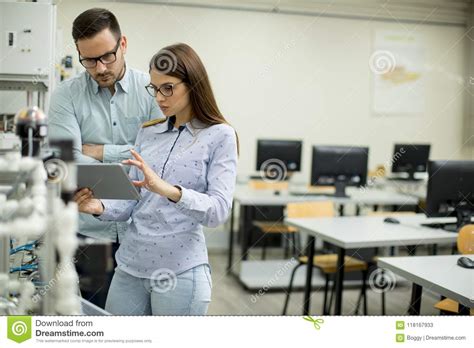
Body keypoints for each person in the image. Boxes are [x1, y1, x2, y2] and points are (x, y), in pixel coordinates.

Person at [74, 43, 238, 315]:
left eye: (168, 88)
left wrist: (170, 190)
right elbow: (133, 202)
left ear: (193, 84)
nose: (159, 98)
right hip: (130, 266)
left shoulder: (220, 136)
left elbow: (218, 212)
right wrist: (98, 207)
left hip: (180, 270)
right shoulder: (147, 133)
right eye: (154, 88)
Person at [48, 8, 163, 307]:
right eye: (89, 60)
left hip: (143, 230)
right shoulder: (65, 95)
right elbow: (65, 161)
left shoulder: (154, 91)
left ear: (122, 44)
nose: (99, 68)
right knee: (94, 318)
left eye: (107, 56)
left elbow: (159, 159)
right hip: (90, 234)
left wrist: (98, 151)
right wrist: (133, 160)